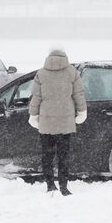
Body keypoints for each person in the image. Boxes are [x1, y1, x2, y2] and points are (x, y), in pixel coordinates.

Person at [28, 49, 87, 195]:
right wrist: (81, 112)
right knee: (63, 157)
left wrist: (33, 115)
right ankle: (64, 187)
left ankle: (50, 185)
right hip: (65, 122)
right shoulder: (72, 72)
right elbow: (78, 95)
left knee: (47, 155)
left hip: (46, 121)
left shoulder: (41, 73)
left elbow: (36, 97)